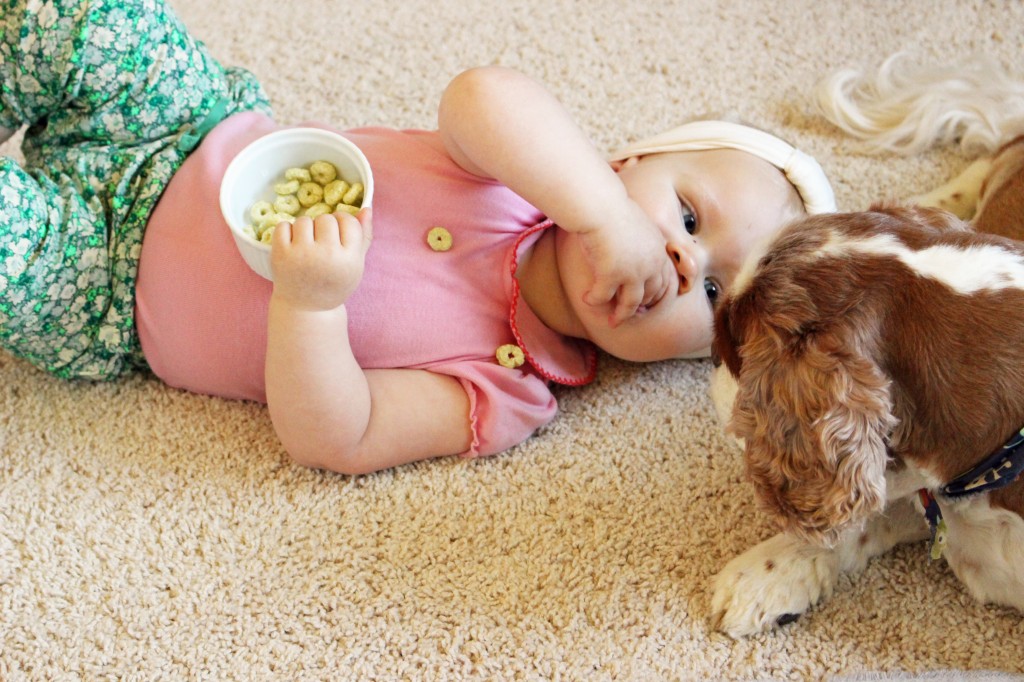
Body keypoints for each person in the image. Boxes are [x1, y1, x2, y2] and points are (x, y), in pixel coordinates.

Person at [0, 0, 836, 475]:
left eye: (718, 295)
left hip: (104, 285)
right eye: (688, 217)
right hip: (186, 128)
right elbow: (478, 93)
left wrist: (312, 304)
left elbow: (340, 437)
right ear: (618, 162)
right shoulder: (522, 173)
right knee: (76, 18)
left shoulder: (511, 391)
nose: (686, 262)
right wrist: (601, 217)